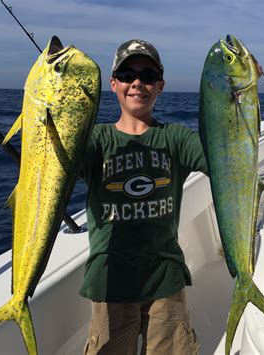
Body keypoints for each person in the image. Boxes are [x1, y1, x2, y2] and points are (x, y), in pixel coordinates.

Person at [79, 39, 207, 355]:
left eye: (148, 76)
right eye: (127, 74)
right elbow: (58, 162)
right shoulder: (96, 140)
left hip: (165, 279)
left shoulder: (176, 138)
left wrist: (240, 98)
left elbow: (225, 160)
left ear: (160, 86)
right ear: (113, 84)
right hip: (110, 280)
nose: (137, 83)